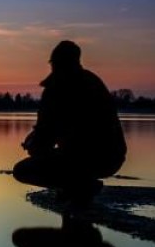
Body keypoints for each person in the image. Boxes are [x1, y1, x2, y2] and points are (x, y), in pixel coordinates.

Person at [13, 40, 126, 206]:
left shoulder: (55, 89)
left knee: (22, 171)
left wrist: (33, 144)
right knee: (66, 157)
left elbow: (44, 139)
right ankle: (77, 186)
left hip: (87, 158)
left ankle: (79, 186)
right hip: (113, 158)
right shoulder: (93, 81)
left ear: (53, 64)